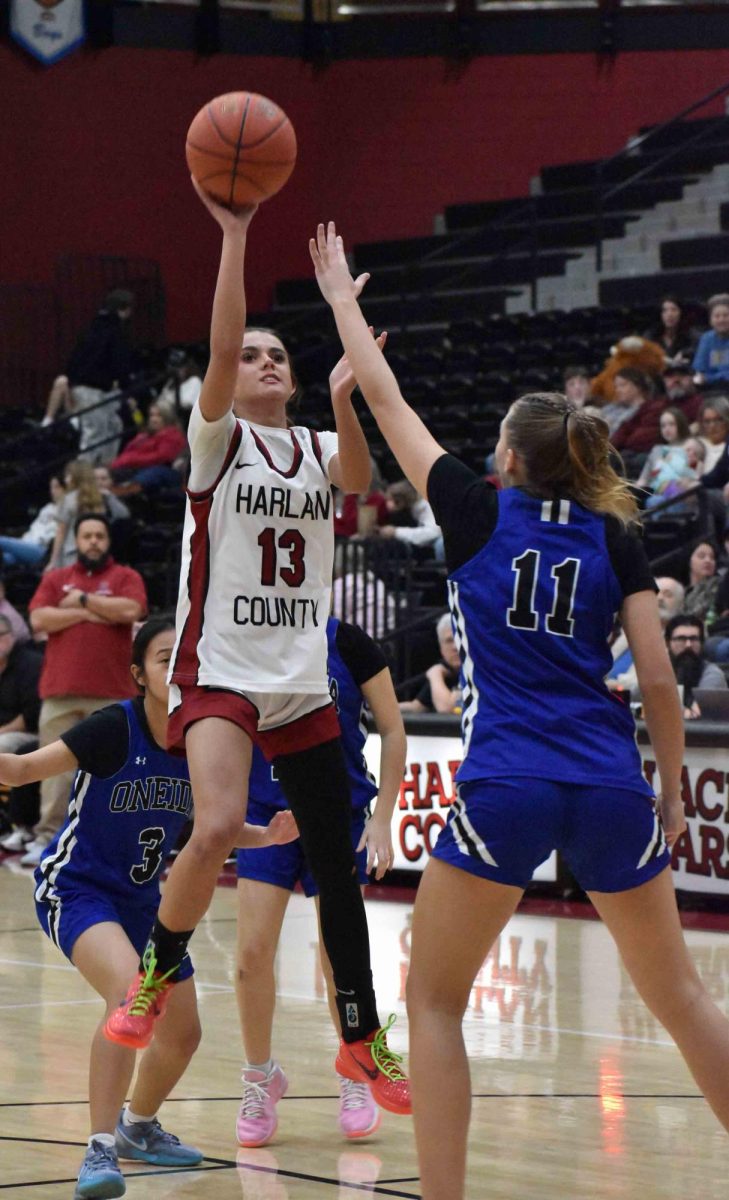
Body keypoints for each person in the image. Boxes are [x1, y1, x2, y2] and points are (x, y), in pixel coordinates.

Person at [311, 220, 729, 1200]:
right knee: (681, 997)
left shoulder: (472, 506)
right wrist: (671, 794)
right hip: (607, 780)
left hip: (505, 781)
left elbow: (386, 396)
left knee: (434, 999)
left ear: (506, 456)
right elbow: (660, 681)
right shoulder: (613, 533)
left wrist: (341, 299)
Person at [104, 183, 410, 1119]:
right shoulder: (216, 443)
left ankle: (360, 1037)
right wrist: (235, 237)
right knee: (216, 823)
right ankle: (154, 978)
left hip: (296, 676)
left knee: (333, 858)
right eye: (252, 356)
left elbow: (358, 478)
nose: (265, 360)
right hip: (219, 667)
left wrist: (344, 399)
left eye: (279, 354)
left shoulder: (314, 449)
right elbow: (222, 332)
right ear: (226, 380)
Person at [0, 618, 297, 1200]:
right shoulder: (114, 727)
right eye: (166, 660)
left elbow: (213, 830)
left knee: (183, 1032)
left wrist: (267, 836)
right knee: (132, 996)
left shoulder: (201, 744)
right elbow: (23, 769)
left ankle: (137, 1128)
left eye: (188, 662)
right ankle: (98, 1147)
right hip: (77, 888)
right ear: (139, 675)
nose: (180, 671)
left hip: (146, 904)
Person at [235, 615, 406, 1146]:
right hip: (267, 813)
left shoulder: (349, 641)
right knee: (251, 956)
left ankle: (353, 1066)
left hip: (341, 812)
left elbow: (394, 728)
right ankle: (260, 1078)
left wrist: (383, 818)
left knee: (339, 959)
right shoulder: (250, 631)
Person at [21, 513, 147, 867]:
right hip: (60, 693)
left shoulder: (126, 577)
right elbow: (38, 620)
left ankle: (118, 841)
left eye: (100, 536)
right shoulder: (56, 578)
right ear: (77, 541)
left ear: (108, 541)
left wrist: (80, 603)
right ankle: (47, 837)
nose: (94, 541)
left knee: (116, 772)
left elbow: (131, 610)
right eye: (87, 535)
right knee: (52, 772)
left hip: (112, 694)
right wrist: (96, 613)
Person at [47, 461, 129, 571]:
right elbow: (124, 514)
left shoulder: (68, 499)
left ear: (75, 477)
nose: (65, 479)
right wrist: (110, 497)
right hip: (97, 551)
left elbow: (61, 532)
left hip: (72, 552)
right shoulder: (101, 498)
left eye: (68, 475)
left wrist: (53, 561)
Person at [109, 400, 188, 494]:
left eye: (158, 416)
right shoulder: (145, 434)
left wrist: (130, 460)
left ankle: (123, 492)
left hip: (162, 471)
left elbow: (161, 457)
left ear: (167, 417)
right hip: (133, 467)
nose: (154, 419)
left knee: (152, 474)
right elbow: (130, 451)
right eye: (151, 415)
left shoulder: (173, 435)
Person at [664, 613, 727, 718]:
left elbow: (698, 713)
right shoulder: (660, 672)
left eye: (694, 639)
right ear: (667, 643)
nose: (688, 645)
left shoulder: (713, 675)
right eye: (681, 639)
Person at [400, 612, 462, 714]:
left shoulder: (475, 671)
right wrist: (376, 707)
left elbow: (447, 709)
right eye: (449, 641)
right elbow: (417, 707)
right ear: (441, 649)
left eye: (458, 640)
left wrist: (435, 675)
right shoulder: (446, 671)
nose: (455, 647)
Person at [0, 475, 65, 569]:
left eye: (56, 487)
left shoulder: (68, 510)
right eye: (51, 487)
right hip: (25, 543)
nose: (52, 491)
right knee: (4, 559)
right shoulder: (47, 508)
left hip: (40, 550)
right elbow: (34, 529)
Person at [643, 296, 699, 368]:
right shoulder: (651, 334)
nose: (669, 314)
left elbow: (701, 347)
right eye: (665, 311)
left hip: (684, 375)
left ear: (681, 313)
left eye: (674, 310)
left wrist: (685, 353)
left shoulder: (690, 333)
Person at [693, 294, 729, 389]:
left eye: (726, 315)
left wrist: (713, 377)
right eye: (717, 316)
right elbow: (700, 372)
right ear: (711, 320)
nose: (721, 320)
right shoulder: (706, 339)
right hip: (713, 391)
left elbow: (707, 377)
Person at [662, 362, 703, 427]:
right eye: (671, 376)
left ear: (692, 379)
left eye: (682, 375)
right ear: (664, 381)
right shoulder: (659, 405)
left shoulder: (701, 405)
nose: (676, 380)